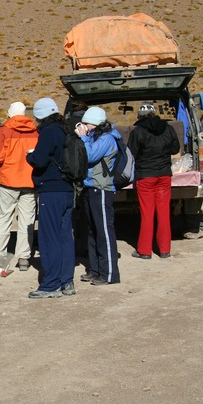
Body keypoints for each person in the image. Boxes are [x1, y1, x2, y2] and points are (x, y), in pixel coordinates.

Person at [25, 97, 76, 298]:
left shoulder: (48, 132)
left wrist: (30, 156)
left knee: (49, 238)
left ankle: (51, 284)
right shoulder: (66, 130)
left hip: (51, 190)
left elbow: (39, 159)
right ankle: (67, 281)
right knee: (65, 237)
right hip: (67, 189)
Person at [0, 101, 38, 272]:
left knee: (3, 218)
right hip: (30, 181)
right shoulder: (35, 132)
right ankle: (24, 257)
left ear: (10, 114)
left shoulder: (4, 131)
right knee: (27, 220)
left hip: (8, 180)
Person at [75, 106, 121, 286]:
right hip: (90, 187)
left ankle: (109, 274)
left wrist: (83, 137)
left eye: (86, 124)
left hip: (101, 189)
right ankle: (95, 270)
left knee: (104, 232)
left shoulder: (107, 138)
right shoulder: (96, 137)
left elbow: (91, 156)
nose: (84, 127)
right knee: (92, 232)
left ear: (94, 124)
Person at [128, 102, 180, 259]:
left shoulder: (138, 132)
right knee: (164, 214)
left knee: (147, 214)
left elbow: (131, 153)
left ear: (140, 116)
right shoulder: (168, 128)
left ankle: (144, 251)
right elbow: (175, 149)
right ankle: (165, 249)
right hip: (164, 175)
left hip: (146, 176)